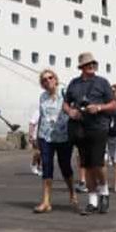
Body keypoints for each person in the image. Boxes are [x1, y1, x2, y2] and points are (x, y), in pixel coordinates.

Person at [63, 52, 116, 216]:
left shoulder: (102, 82)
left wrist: (99, 108)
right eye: (88, 64)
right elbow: (65, 103)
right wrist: (71, 112)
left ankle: (105, 192)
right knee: (86, 165)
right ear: (82, 67)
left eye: (93, 63)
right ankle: (92, 201)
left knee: (98, 164)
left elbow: (114, 104)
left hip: (98, 126)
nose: (92, 66)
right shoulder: (74, 83)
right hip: (80, 128)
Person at [33, 69, 77, 213]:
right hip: (46, 137)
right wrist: (36, 140)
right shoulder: (42, 97)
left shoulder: (64, 93)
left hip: (64, 136)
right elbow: (42, 117)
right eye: (44, 80)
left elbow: (73, 111)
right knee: (46, 167)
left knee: (65, 166)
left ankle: (71, 191)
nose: (48, 81)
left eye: (50, 78)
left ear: (56, 79)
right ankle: (46, 202)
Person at [28, 109, 42, 176]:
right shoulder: (38, 112)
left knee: (43, 153)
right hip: (36, 136)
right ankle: (33, 164)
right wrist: (30, 135)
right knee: (38, 152)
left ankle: (39, 167)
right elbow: (31, 124)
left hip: (44, 136)